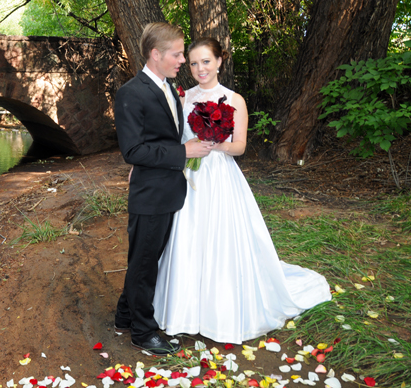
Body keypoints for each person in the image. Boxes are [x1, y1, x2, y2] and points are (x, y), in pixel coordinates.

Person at [153, 38, 332, 344]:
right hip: (189, 178)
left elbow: (239, 146)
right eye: (194, 63)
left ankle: (220, 311)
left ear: (220, 61)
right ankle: (183, 309)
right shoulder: (182, 98)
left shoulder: (234, 100)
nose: (200, 69)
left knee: (220, 240)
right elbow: (174, 140)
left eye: (206, 62)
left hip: (221, 177)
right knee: (186, 238)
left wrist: (214, 142)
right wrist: (189, 148)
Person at [113, 23, 213, 355]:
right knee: (144, 263)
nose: (183, 60)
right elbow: (133, 151)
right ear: (156, 55)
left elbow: (164, 138)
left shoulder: (170, 89)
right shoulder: (131, 92)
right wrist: (183, 153)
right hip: (150, 195)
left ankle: (125, 315)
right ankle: (143, 332)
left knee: (146, 258)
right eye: (177, 54)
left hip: (169, 191)